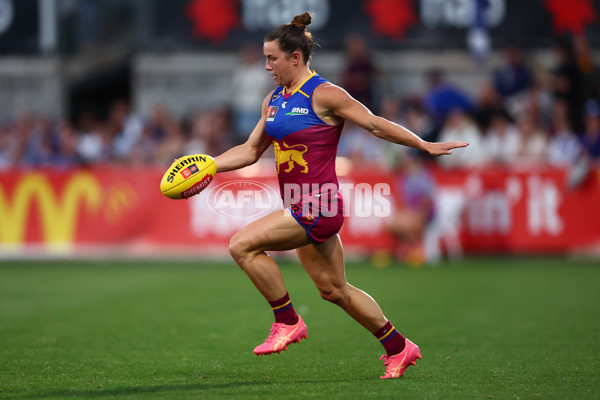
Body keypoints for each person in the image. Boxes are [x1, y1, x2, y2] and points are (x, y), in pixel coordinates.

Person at [213, 12, 468, 379]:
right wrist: (208, 166)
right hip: (299, 206)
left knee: (241, 245)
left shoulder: (326, 94)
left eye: (272, 58)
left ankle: (286, 320)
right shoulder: (274, 98)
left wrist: (422, 144)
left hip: (319, 205)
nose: (267, 65)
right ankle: (398, 347)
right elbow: (251, 150)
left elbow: (376, 123)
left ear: (295, 58)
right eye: (266, 57)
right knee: (335, 290)